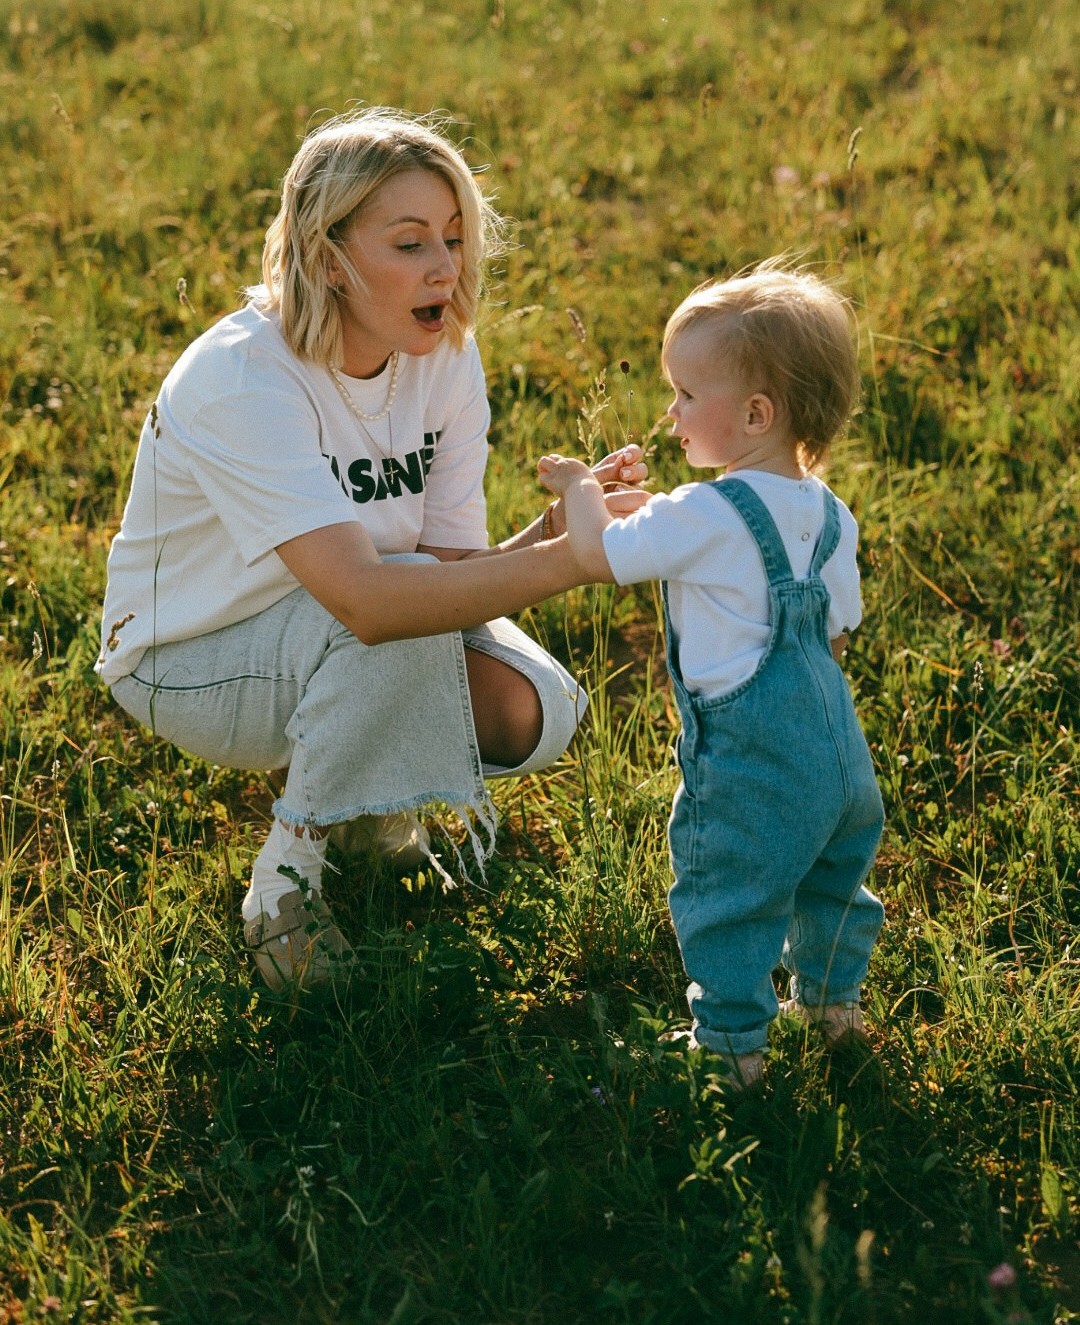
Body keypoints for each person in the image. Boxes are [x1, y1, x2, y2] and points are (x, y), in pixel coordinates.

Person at [97, 107, 646, 992]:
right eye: (410, 243)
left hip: (335, 626)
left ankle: (367, 809)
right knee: (394, 616)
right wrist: (569, 563)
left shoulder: (442, 358)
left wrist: (553, 533)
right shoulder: (242, 375)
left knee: (535, 709)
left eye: (456, 238)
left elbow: (448, 570)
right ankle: (284, 883)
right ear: (327, 259)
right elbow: (372, 601)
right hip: (184, 657)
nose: (446, 267)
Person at [537, 263, 886, 1089]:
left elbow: (598, 553)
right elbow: (838, 627)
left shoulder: (704, 512)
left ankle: (733, 1051)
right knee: (834, 878)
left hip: (750, 761)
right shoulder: (833, 514)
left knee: (729, 893)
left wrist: (583, 487)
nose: (671, 412)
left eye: (687, 395)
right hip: (839, 759)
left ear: (756, 414)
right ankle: (833, 1008)